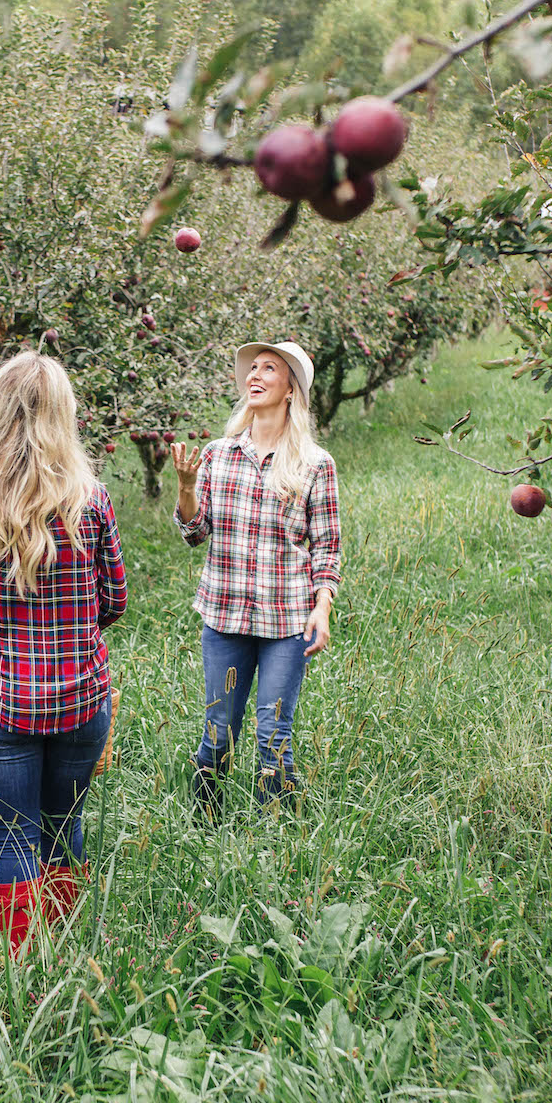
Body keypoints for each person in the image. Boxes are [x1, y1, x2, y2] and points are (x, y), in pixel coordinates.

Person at [0, 351, 127, 957]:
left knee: (14, 839)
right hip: (82, 695)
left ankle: (25, 964)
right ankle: (68, 949)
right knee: (63, 827)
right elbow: (115, 599)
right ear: (63, 416)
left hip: (5, 696)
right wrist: (71, 630)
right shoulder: (89, 498)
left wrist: (0, 635)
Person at [170, 339, 340, 815]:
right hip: (224, 614)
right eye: (253, 368)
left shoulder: (315, 464)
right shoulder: (219, 455)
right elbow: (194, 532)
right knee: (218, 730)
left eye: (269, 368)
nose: (255, 376)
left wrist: (322, 608)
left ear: (290, 389)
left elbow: (328, 547)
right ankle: (201, 823)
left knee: (274, 734)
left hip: (286, 620)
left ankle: (276, 839)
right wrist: (186, 489)